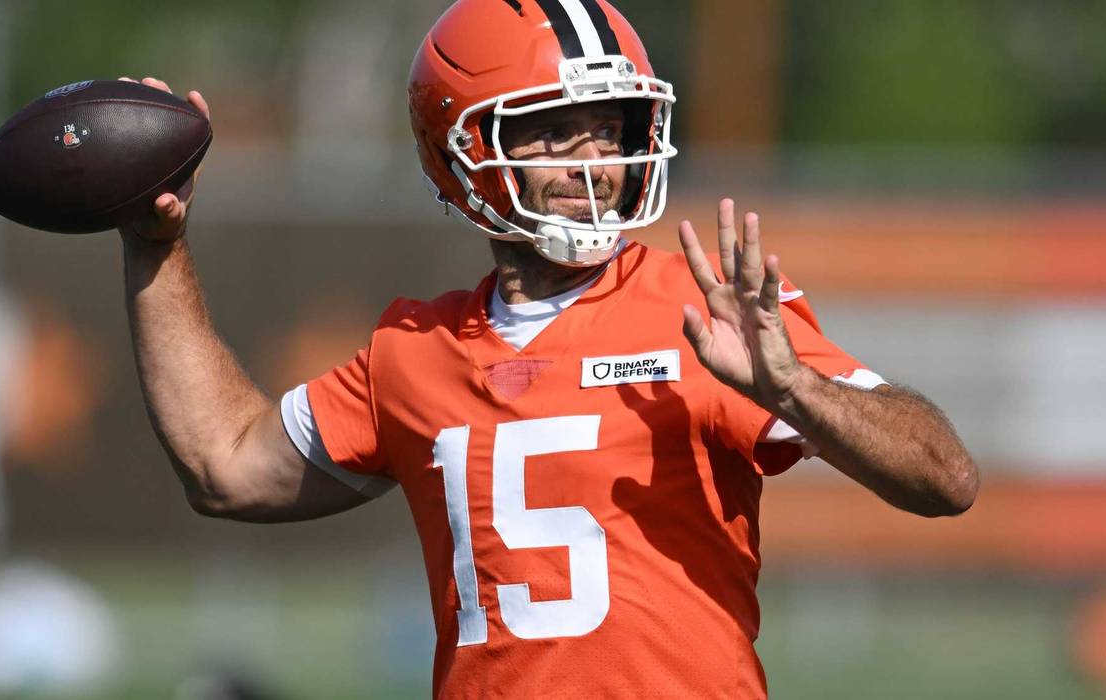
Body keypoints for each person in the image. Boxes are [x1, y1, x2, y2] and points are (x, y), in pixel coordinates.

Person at [118, 0, 978, 696]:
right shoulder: (413, 350)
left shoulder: (700, 310)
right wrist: (154, 243)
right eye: (550, 130)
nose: (592, 160)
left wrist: (793, 388)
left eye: (608, 127)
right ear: (463, 153)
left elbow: (944, 479)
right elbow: (224, 466)